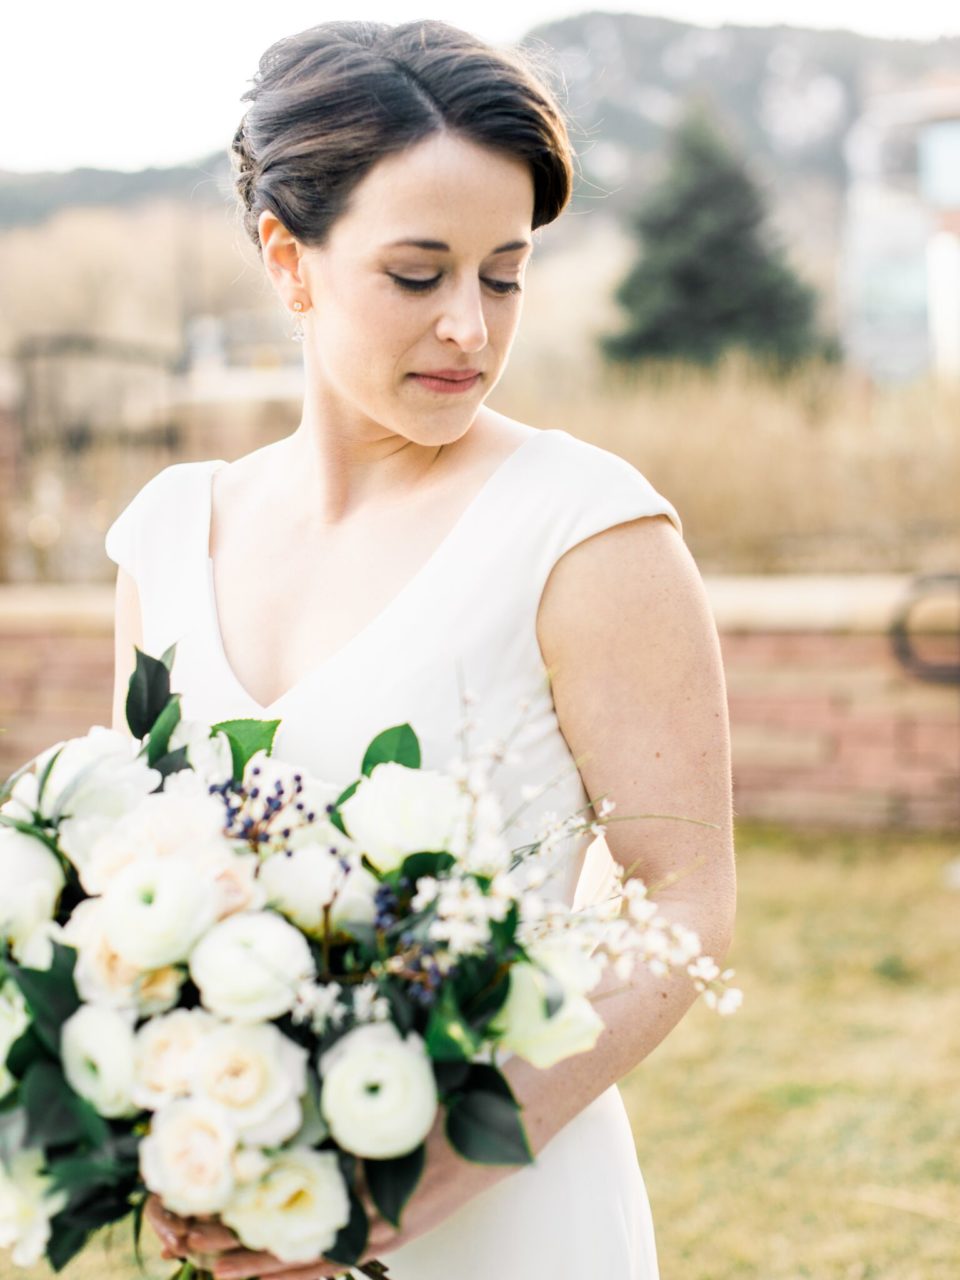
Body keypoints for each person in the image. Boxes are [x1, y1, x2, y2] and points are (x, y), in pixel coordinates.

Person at [104, 18, 735, 1280]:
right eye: (418, 273)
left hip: (505, 1220)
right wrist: (159, 1132)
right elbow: (136, 883)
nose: (470, 327)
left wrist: (427, 1170)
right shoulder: (167, 534)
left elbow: (684, 900)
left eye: (504, 275)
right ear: (289, 259)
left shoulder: (586, 527)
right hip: (240, 1217)